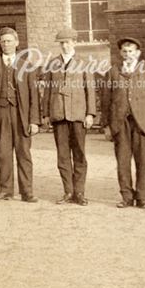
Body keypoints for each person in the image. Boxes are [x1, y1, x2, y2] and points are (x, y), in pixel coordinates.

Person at [0, 27, 40, 202]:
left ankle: (27, 192)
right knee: (3, 154)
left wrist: (34, 121)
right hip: (0, 115)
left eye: (9, 41)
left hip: (21, 115)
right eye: (3, 41)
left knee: (24, 154)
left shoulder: (27, 67)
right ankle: (5, 190)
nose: (6, 44)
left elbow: (34, 96)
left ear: (17, 43)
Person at [102, 36, 145, 209]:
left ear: (138, 53)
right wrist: (106, 125)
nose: (128, 55)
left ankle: (142, 197)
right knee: (123, 161)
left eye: (131, 51)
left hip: (142, 122)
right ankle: (126, 196)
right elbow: (106, 100)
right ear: (120, 53)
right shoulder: (112, 72)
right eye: (125, 52)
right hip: (120, 123)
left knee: (142, 161)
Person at [42, 28, 96, 205]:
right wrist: (46, 114)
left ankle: (79, 192)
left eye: (67, 42)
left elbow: (90, 90)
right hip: (59, 115)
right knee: (63, 156)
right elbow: (47, 90)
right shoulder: (53, 63)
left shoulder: (84, 62)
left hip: (78, 115)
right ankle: (68, 191)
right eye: (61, 43)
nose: (64, 45)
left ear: (74, 42)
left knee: (79, 154)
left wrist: (90, 113)